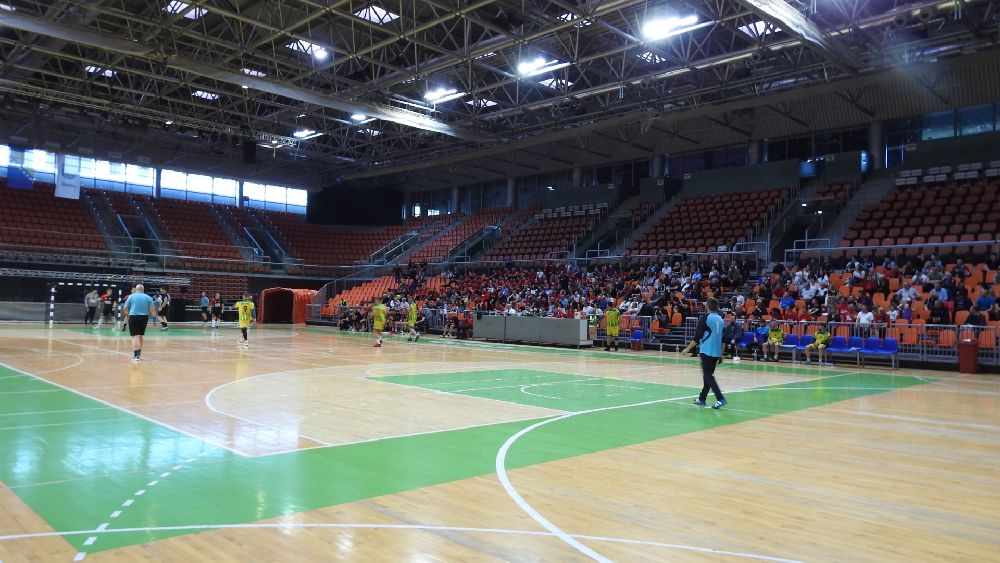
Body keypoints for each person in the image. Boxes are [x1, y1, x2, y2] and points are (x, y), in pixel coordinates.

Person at [693, 297, 726, 409]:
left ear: (707, 306)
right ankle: (702, 398)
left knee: (708, 376)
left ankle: (720, 398)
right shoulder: (721, 319)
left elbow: (697, 337)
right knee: (708, 376)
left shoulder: (705, 318)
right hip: (716, 353)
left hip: (706, 350)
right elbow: (723, 339)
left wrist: (686, 349)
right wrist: (721, 354)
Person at [122, 284, 155, 363]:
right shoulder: (148, 297)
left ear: (136, 289)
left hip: (133, 316)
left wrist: (128, 315)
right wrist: (154, 321)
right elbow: (152, 310)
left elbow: (125, 308)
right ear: (143, 289)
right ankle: (139, 354)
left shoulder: (131, 296)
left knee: (135, 336)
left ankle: (136, 356)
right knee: (141, 335)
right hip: (144, 317)